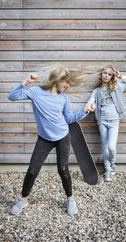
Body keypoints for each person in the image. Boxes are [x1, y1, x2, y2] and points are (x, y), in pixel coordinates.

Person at [8, 64, 95, 216]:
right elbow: (12, 96)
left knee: (63, 169)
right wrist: (26, 82)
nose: (67, 86)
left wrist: (85, 110)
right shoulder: (36, 92)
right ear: (58, 79)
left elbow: (69, 118)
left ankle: (70, 199)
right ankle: (23, 199)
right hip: (44, 139)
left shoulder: (63, 98)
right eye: (66, 82)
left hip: (62, 136)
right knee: (32, 170)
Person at [86, 66, 126, 181]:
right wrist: (90, 107)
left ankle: (112, 163)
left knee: (111, 147)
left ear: (112, 76)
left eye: (109, 74)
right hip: (102, 121)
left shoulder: (116, 87)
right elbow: (90, 103)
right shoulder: (96, 91)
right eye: (104, 73)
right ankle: (108, 170)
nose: (106, 75)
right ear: (101, 74)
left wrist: (120, 76)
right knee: (105, 146)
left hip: (114, 122)